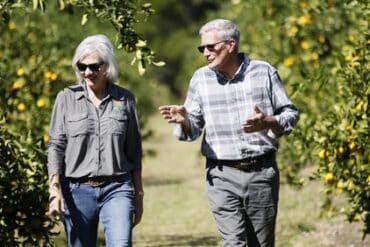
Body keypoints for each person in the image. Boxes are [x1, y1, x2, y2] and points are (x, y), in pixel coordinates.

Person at [159, 19, 299, 247]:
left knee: (261, 244)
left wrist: (268, 122)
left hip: (261, 173)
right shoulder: (200, 79)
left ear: (231, 45)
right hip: (221, 175)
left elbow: (290, 115)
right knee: (232, 243)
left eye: (210, 47)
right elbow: (192, 130)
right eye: (201, 48)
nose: (205, 52)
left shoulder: (264, 73)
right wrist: (184, 121)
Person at [47, 34, 143, 247]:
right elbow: (56, 146)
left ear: (107, 66)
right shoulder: (66, 98)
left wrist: (139, 195)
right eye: (82, 67)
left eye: (94, 66)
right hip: (76, 190)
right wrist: (54, 189)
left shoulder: (125, 99)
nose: (87, 72)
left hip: (117, 187)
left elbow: (134, 151)